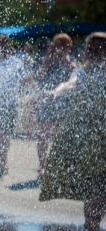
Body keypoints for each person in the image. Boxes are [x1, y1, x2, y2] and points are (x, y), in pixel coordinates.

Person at [39, 32, 106, 231]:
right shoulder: (84, 72)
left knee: (99, 190)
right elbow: (70, 84)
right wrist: (53, 94)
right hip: (91, 140)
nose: (96, 53)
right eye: (92, 49)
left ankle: (94, 226)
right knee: (93, 187)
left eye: (100, 49)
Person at [33, 33, 77, 178]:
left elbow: (74, 76)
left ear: (69, 47)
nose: (61, 49)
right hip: (47, 101)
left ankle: (59, 166)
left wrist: (64, 61)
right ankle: (41, 166)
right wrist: (47, 62)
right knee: (43, 135)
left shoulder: (71, 60)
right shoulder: (47, 60)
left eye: (64, 46)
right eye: (58, 45)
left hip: (63, 102)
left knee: (60, 137)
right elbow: (38, 77)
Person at [0, 35, 25, 178]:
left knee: (6, 134)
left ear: (8, 45)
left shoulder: (16, 62)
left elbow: (22, 81)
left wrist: (19, 94)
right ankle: (2, 158)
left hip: (10, 103)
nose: (2, 47)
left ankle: (2, 161)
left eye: (4, 44)